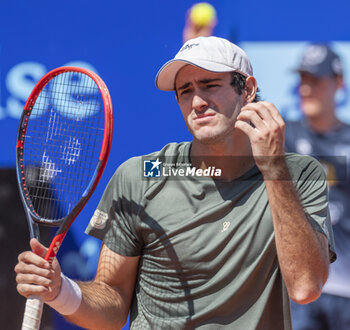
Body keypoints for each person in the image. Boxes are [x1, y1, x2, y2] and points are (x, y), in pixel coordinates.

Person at [15, 36, 336, 330]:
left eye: (210, 85)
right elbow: (112, 303)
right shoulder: (142, 176)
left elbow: (305, 286)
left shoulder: (297, 174)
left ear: (248, 89)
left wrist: (273, 168)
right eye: (185, 91)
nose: (197, 102)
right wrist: (60, 291)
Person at [285, 44, 350, 329]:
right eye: (303, 79)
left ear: (338, 83)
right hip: (300, 295)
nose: (306, 88)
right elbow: (229, 122)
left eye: (316, 79)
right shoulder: (280, 137)